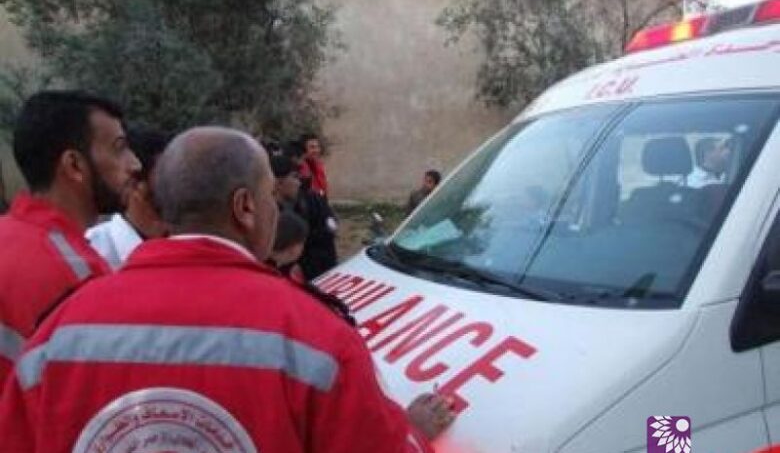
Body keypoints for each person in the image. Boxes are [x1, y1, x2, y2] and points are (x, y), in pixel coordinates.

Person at [0, 126, 455, 453]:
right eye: (270, 197)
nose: (277, 210)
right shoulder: (317, 339)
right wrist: (411, 432)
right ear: (245, 207)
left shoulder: (56, 335)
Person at [0, 90, 140, 384]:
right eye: (119, 148)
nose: (134, 164)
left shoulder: (9, 235)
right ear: (74, 165)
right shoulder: (77, 275)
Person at [86, 126, 172, 269]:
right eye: (167, 175)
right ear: (135, 184)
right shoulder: (93, 251)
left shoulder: (190, 245)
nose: (178, 184)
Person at [272, 153, 338, 280]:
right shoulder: (266, 213)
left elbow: (328, 234)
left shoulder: (313, 201)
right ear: (278, 183)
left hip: (320, 275)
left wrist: (304, 267)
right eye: (294, 177)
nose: (299, 183)